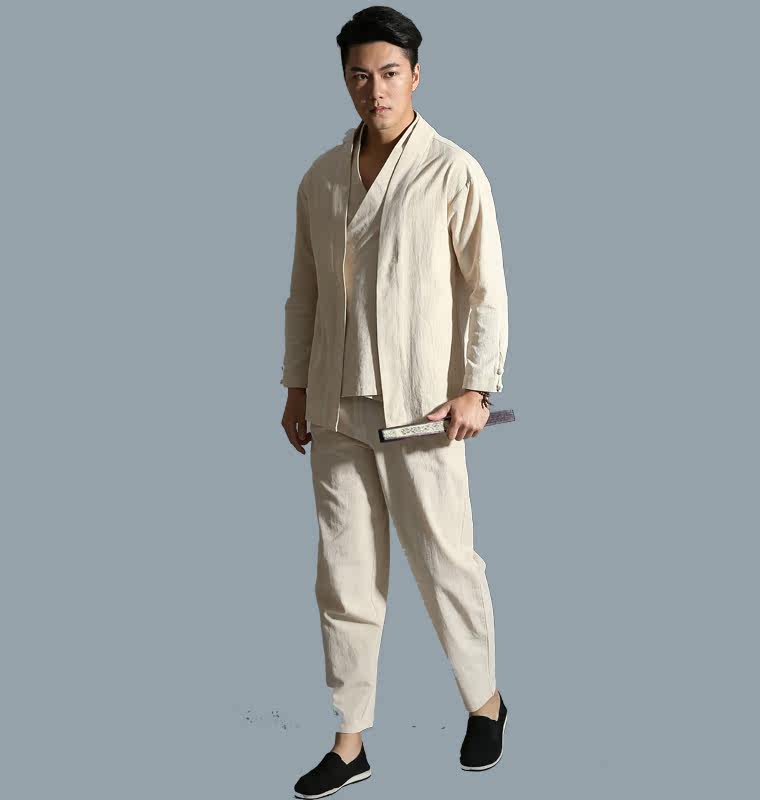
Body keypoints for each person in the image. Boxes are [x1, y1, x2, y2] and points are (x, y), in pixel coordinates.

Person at [280, 6, 510, 796]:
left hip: (423, 405)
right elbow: (305, 292)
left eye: (387, 73)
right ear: (344, 80)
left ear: (415, 74)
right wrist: (296, 386)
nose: (373, 89)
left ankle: (484, 702)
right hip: (335, 405)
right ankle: (350, 742)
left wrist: (477, 385)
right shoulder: (320, 177)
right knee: (343, 576)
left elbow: (486, 289)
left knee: (445, 561)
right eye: (358, 75)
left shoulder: (453, 170)